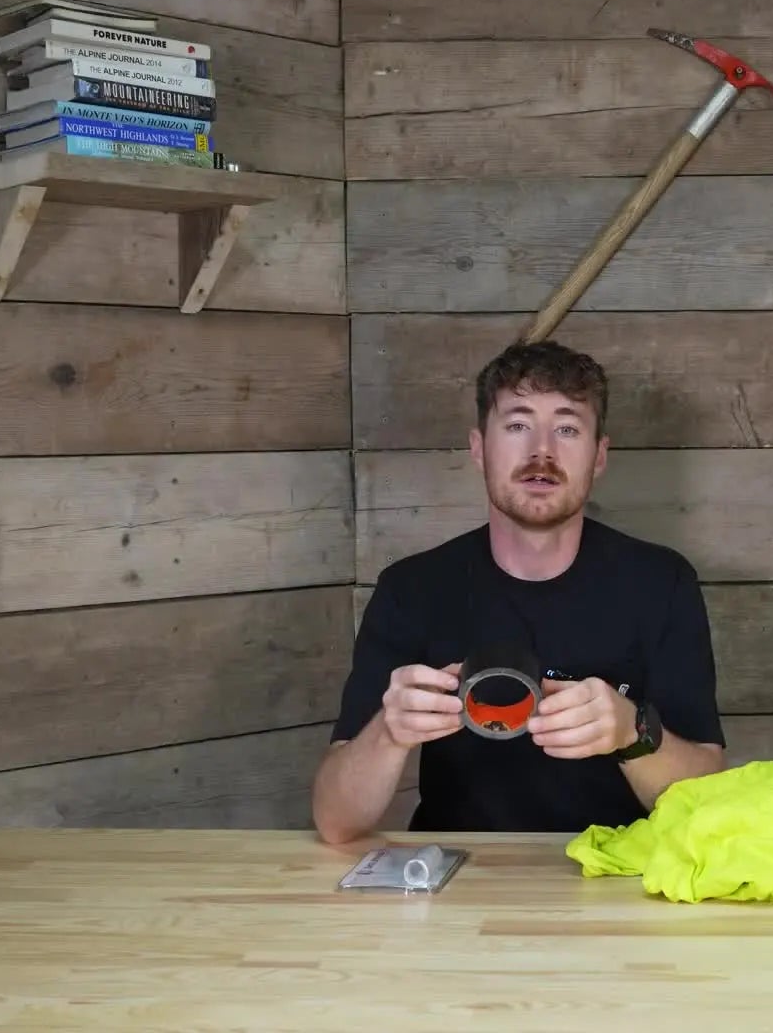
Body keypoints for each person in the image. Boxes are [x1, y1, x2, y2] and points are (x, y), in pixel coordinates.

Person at [311, 341, 728, 843]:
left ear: (599, 456)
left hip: (621, 876)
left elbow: (707, 796)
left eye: (568, 428)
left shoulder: (662, 582)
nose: (542, 451)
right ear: (478, 448)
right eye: (517, 425)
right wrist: (389, 732)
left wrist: (629, 733)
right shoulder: (412, 588)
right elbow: (336, 822)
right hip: (461, 878)